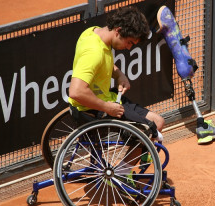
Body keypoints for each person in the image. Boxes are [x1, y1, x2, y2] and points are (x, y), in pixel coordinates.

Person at [68, 6, 165, 139]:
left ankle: (132, 159)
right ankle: (130, 160)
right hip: (94, 109)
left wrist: (119, 75)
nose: (129, 47)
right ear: (118, 31)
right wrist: (107, 107)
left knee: (158, 121)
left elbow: (102, 61)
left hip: (108, 98)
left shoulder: (93, 32)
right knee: (150, 129)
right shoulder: (94, 52)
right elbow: (76, 92)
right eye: (129, 42)